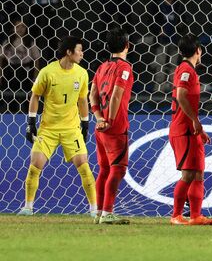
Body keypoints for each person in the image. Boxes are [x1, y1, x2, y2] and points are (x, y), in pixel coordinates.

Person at [17, 36, 96, 217]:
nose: (82, 54)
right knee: (35, 165)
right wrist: (30, 123)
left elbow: (83, 100)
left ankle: (94, 209)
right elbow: (35, 96)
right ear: (69, 52)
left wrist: (85, 124)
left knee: (84, 165)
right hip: (48, 129)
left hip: (71, 129)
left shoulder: (82, 73)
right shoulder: (47, 72)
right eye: (79, 50)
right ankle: (28, 207)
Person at [168, 33, 212, 225]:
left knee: (198, 173)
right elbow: (181, 95)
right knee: (188, 174)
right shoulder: (186, 70)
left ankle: (196, 216)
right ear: (198, 51)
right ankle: (176, 216)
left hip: (191, 129)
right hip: (183, 129)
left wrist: (199, 128)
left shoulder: (187, 69)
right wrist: (195, 121)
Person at [89, 27, 134, 224]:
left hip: (101, 127)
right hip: (115, 127)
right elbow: (116, 94)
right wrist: (110, 120)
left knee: (105, 170)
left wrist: (99, 118)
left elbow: (92, 95)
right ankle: (107, 212)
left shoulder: (101, 67)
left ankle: (98, 212)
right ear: (127, 45)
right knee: (118, 169)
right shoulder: (124, 68)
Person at [0, 19, 40, 93]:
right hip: (10, 73)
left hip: (25, 73)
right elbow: (1, 59)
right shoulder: (7, 42)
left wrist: (35, 78)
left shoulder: (30, 42)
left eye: (23, 27)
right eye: (17, 27)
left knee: (24, 95)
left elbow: (36, 60)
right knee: (9, 95)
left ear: (26, 28)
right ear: (13, 28)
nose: (20, 29)